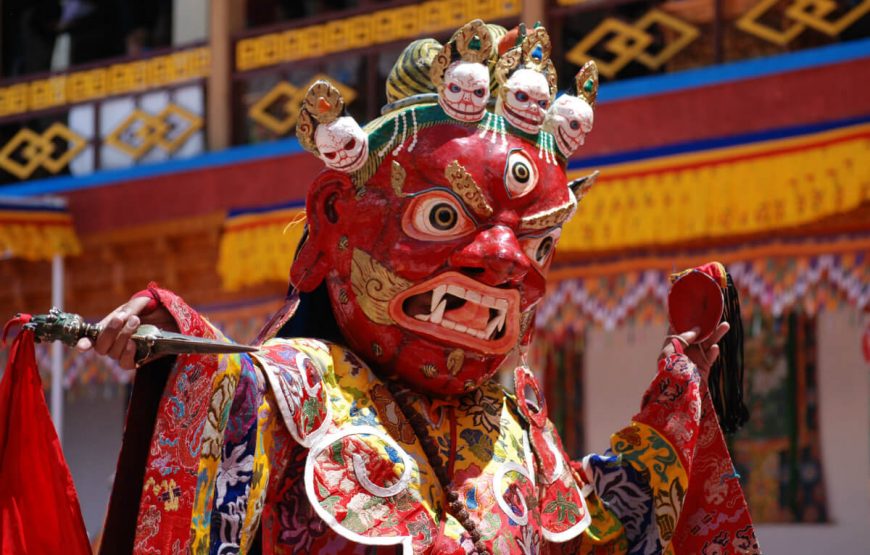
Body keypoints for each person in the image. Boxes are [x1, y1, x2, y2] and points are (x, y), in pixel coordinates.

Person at [79, 20, 759, 555]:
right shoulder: (298, 388)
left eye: (536, 241)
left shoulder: (512, 420)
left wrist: (680, 393)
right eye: (443, 216)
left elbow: (591, 532)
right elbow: (230, 387)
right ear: (335, 218)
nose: (506, 262)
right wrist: (179, 339)